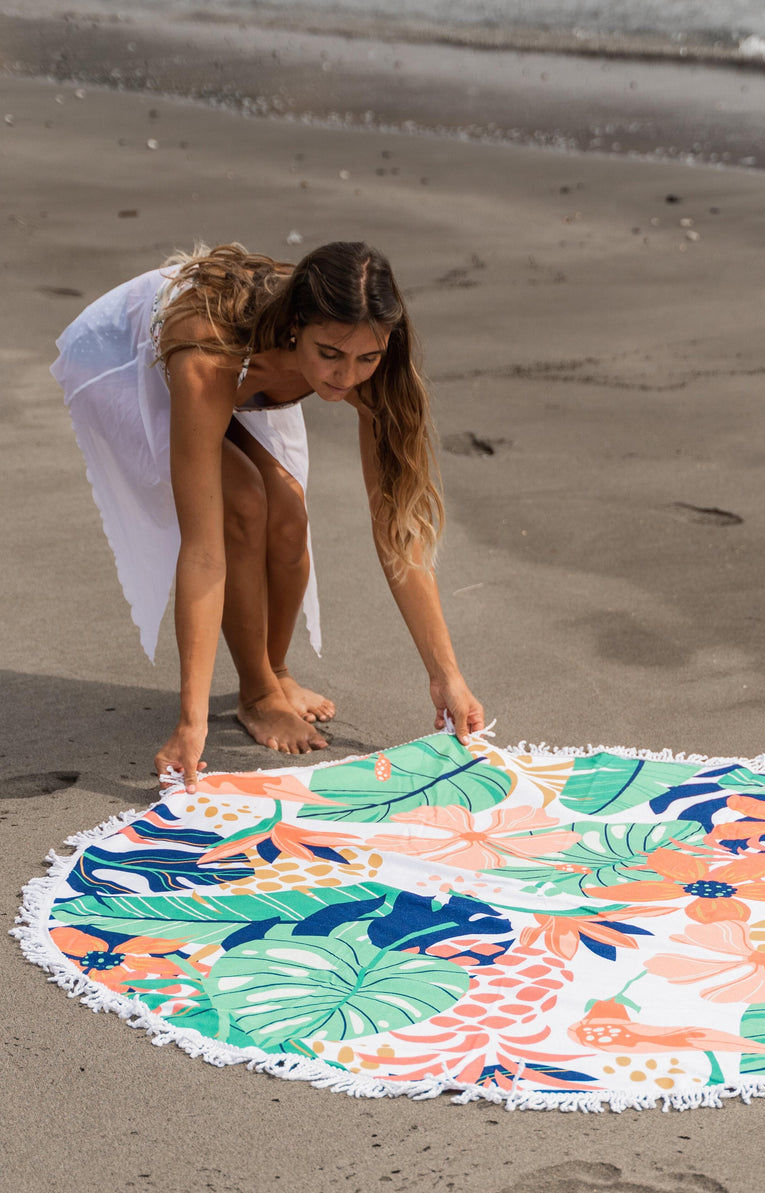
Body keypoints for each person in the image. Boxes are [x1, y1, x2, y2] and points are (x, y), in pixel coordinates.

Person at [50, 238, 485, 793]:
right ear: (296, 326)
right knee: (243, 504)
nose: (347, 376)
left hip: (257, 372)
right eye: (330, 353)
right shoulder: (208, 356)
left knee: (287, 513)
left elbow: (395, 529)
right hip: (138, 359)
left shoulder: (369, 363)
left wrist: (445, 675)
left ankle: (274, 672)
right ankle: (256, 693)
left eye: (366, 358)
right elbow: (204, 553)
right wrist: (191, 721)